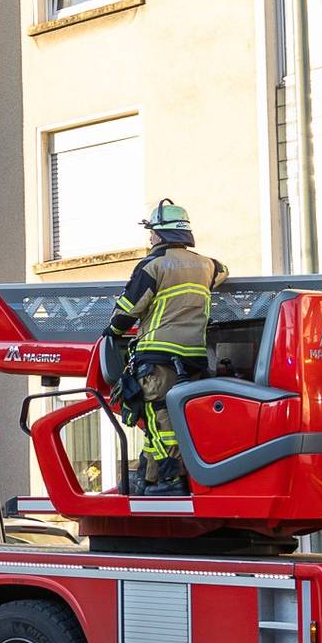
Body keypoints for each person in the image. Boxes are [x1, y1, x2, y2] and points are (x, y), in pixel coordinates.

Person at [102, 199, 228, 495]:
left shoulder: (152, 266)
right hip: (195, 357)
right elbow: (224, 272)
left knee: (159, 418)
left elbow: (128, 308)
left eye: (152, 232)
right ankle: (147, 478)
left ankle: (171, 480)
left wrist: (112, 332)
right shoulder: (207, 265)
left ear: (161, 234)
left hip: (158, 355)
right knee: (178, 418)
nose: (150, 238)